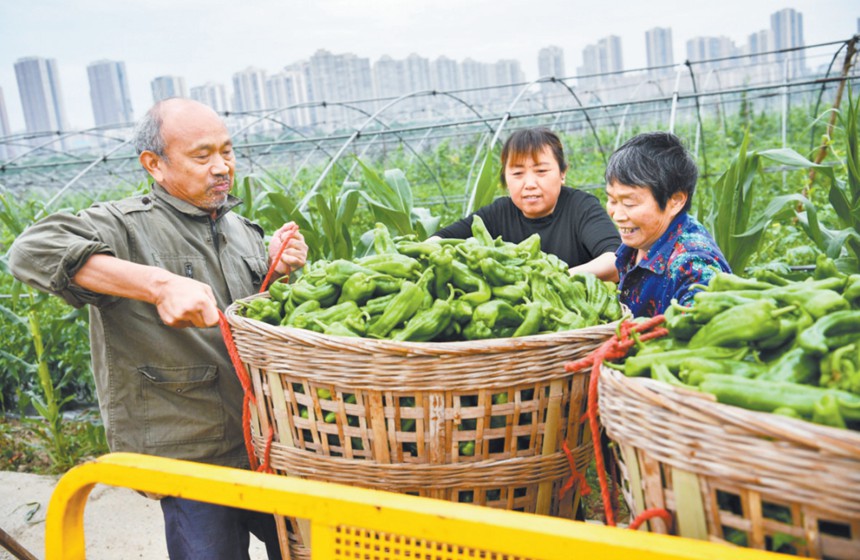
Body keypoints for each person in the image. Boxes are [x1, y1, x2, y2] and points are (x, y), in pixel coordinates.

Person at [8, 98, 308, 560]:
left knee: (300, 551)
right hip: (192, 455)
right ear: (154, 164)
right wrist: (158, 283)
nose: (222, 167)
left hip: (264, 443)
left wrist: (276, 270)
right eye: (202, 155)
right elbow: (32, 250)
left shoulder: (240, 229)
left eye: (227, 151)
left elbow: (251, 323)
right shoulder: (126, 226)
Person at [433, 127, 620, 280]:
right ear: (505, 179)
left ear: (563, 173)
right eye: (517, 174)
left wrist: (555, 279)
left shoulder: (581, 207)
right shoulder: (498, 213)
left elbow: (615, 259)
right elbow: (441, 239)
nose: (530, 184)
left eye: (541, 171)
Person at [605, 131, 730, 317]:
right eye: (612, 200)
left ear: (675, 201)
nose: (618, 215)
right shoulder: (645, 238)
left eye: (629, 203)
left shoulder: (693, 267)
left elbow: (701, 329)